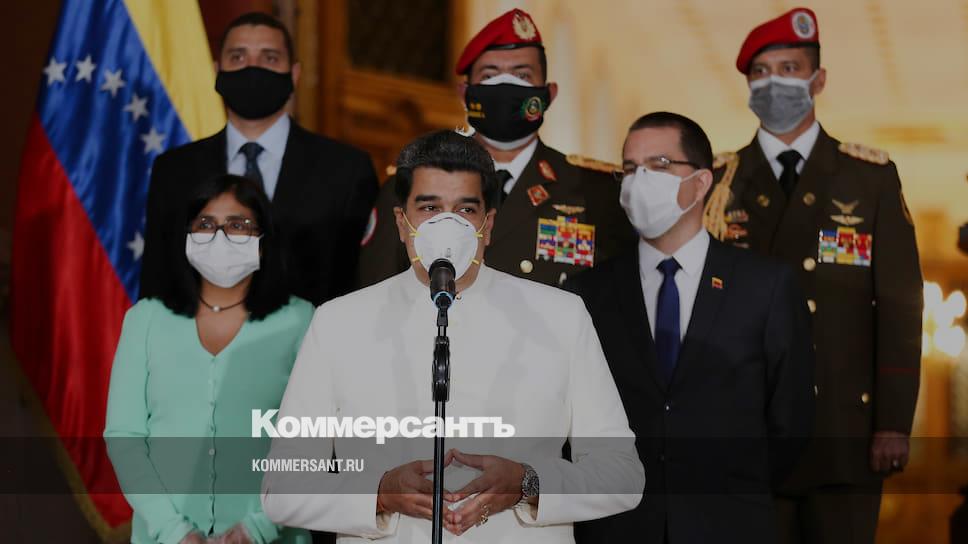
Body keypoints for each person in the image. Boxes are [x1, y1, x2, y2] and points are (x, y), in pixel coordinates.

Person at [260, 130, 644, 543]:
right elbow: (282, 488)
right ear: (402, 223)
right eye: (429, 208)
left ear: (487, 225)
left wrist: (528, 483)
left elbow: (622, 474)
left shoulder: (561, 317)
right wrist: (380, 494)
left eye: (465, 209)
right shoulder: (338, 323)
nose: (448, 224)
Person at [702, 8, 923, 543]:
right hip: (745, 429)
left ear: (818, 80)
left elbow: (899, 307)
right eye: (761, 72)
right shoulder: (719, 181)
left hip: (843, 432)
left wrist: (893, 422)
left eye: (789, 68)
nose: (773, 83)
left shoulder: (867, 178)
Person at [567, 112, 815, 543]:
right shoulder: (587, 292)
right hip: (617, 527)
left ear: (701, 183)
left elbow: (790, 419)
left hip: (729, 523)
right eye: (630, 168)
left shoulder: (765, 286)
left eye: (659, 165)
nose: (640, 180)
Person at [357, 8, 636, 289]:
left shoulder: (597, 194)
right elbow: (376, 294)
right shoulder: (409, 185)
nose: (505, 86)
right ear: (465, 94)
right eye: (490, 75)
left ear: (548, 94)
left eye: (522, 75)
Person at [105, 174, 313, 544]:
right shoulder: (145, 320)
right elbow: (125, 438)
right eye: (205, 224)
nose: (219, 236)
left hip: (273, 533)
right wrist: (174, 531)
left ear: (263, 242)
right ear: (187, 237)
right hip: (162, 536)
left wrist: (258, 527)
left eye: (237, 225)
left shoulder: (301, 320)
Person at [140, 12, 378, 307]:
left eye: (269, 58)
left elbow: (363, 280)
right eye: (238, 57)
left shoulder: (347, 170)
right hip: (197, 333)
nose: (252, 68)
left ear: (294, 74)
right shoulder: (174, 170)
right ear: (217, 71)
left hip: (314, 333)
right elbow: (157, 279)